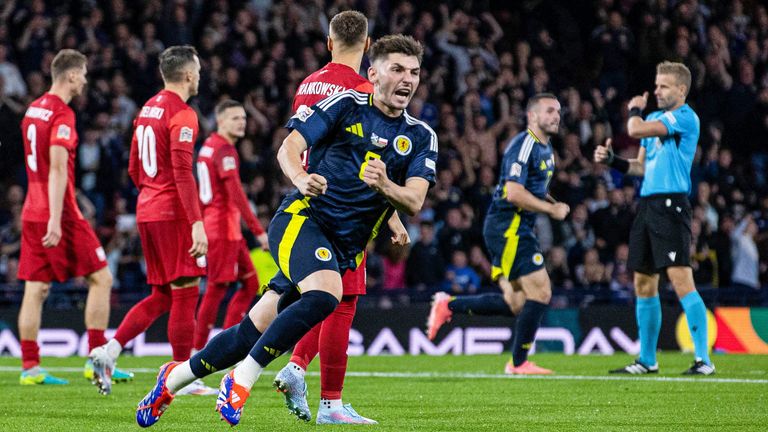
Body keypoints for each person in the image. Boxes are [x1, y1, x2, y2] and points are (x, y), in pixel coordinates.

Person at [134, 34, 436, 428]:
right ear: (373, 72)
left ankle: (170, 381)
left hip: (343, 245)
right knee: (329, 293)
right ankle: (240, 381)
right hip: (302, 221)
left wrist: (386, 188)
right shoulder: (345, 104)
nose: (407, 80)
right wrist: (300, 176)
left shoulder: (420, 137)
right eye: (397, 69)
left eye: (413, 72)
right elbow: (289, 147)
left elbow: (414, 200)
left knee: (247, 333)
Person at [275, 10, 409, 426]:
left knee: (323, 297)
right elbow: (369, 157)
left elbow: (298, 143)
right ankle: (329, 401)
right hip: (348, 205)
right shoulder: (363, 89)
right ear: (368, 45)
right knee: (343, 300)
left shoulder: (308, 82)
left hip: (308, 195)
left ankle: (296, 370)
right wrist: (392, 217)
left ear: (329, 43)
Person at [89, 45, 211, 395]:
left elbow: (132, 167)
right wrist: (196, 222)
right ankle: (181, 377)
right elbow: (183, 173)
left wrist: (150, 196)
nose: (200, 75)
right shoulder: (183, 114)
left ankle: (108, 351)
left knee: (160, 296)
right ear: (187, 74)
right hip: (172, 213)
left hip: (147, 209)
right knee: (186, 292)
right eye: (198, 70)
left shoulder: (147, 110)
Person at [428, 93, 569, 375]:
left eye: (558, 111)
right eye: (550, 110)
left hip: (514, 227)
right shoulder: (524, 145)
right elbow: (515, 193)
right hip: (508, 226)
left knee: (516, 303)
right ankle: (518, 363)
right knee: (541, 291)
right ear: (532, 116)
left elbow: (535, 189)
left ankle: (449, 305)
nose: (556, 116)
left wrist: (554, 203)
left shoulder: (546, 149)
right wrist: (550, 211)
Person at [595, 61, 715, 375]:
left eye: (663, 86)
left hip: (672, 205)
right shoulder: (653, 119)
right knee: (643, 283)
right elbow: (641, 167)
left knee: (680, 281)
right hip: (647, 205)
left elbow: (633, 129)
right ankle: (647, 360)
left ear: (681, 90)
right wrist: (613, 161)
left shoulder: (686, 118)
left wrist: (633, 109)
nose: (657, 91)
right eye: (657, 84)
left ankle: (704, 359)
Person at [16, 49, 126, 385]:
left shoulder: (33, 110)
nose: (87, 80)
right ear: (72, 76)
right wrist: (55, 218)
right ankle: (96, 358)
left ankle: (30, 368)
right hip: (58, 213)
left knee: (35, 289)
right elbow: (59, 169)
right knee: (102, 279)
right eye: (84, 74)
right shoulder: (62, 114)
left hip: (31, 209)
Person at [192, 99, 269, 352]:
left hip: (222, 227)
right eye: (235, 118)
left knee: (249, 282)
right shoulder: (224, 150)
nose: (241, 123)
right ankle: (196, 353)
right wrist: (258, 232)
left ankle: (230, 343)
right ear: (220, 121)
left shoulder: (208, 146)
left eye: (244, 119)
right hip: (222, 228)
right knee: (216, 289)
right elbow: (236, 194)